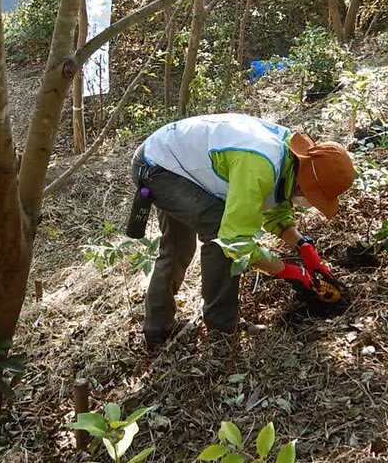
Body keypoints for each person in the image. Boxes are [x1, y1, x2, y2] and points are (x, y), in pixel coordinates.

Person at [130, 113, 356, 347]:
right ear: (306, 181)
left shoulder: (292, 155)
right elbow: (235, 243)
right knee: (217, 233)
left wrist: (303, 246)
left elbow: (274, 205)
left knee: (178, 247)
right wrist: (290, 272)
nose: (307, 200)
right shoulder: (259, 164)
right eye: (311, 195)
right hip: (158, 167)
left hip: (169, 159)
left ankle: (158, 330)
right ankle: (222, 330)